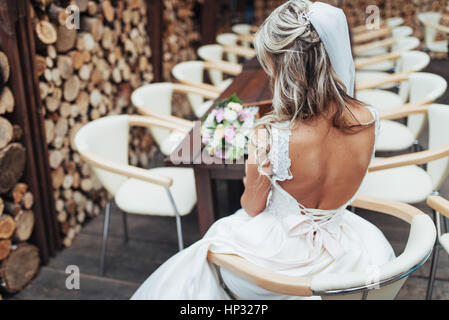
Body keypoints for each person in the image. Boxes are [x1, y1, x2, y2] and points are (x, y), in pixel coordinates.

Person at [131, 0, 394, 300]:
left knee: (205, 253)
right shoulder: (369, 119)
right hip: (347, 259)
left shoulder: (270, 135)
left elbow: (252, 207)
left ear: (284, 69)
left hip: (278, 266)